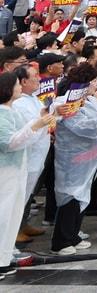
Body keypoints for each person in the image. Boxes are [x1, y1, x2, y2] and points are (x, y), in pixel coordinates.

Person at [0, 70, 56, 278]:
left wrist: (40, 124)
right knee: (3, 215)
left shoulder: (12, 110)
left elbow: (26, 137)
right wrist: (36, 125)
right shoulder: (1, 113)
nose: (19, 88)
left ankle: (4, 259)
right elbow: (9, 143)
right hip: (4, 171)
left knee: (12, 216)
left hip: (17, 169)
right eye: (16, 84)